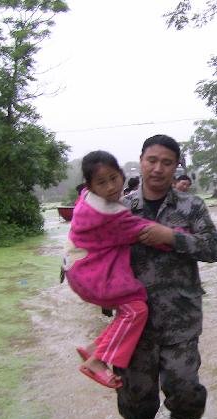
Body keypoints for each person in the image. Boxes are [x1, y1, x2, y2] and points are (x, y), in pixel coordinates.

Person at [116, 134, 217, 419]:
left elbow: (214, 249)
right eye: (152, 160)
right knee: (135, 398)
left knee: (185, 391)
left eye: (166, 162)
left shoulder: (192, 207)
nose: (158, 168)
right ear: (141, 161)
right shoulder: (121, 209)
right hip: (133, 323)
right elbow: (98, 256)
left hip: (181, 319)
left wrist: (171, 237)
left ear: (176, 166)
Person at [63, 150, 170, 389]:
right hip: (90, 273)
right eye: (102, 182)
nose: (111, 187)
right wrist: (176, 237)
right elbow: (145, 232)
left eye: (114, 178)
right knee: (136, 309)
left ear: (122, 175)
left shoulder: (86, 202)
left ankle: (93, 347)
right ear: (90, 186)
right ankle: (97, 361)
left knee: (126, 310)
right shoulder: (110, 215)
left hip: (79, 267)